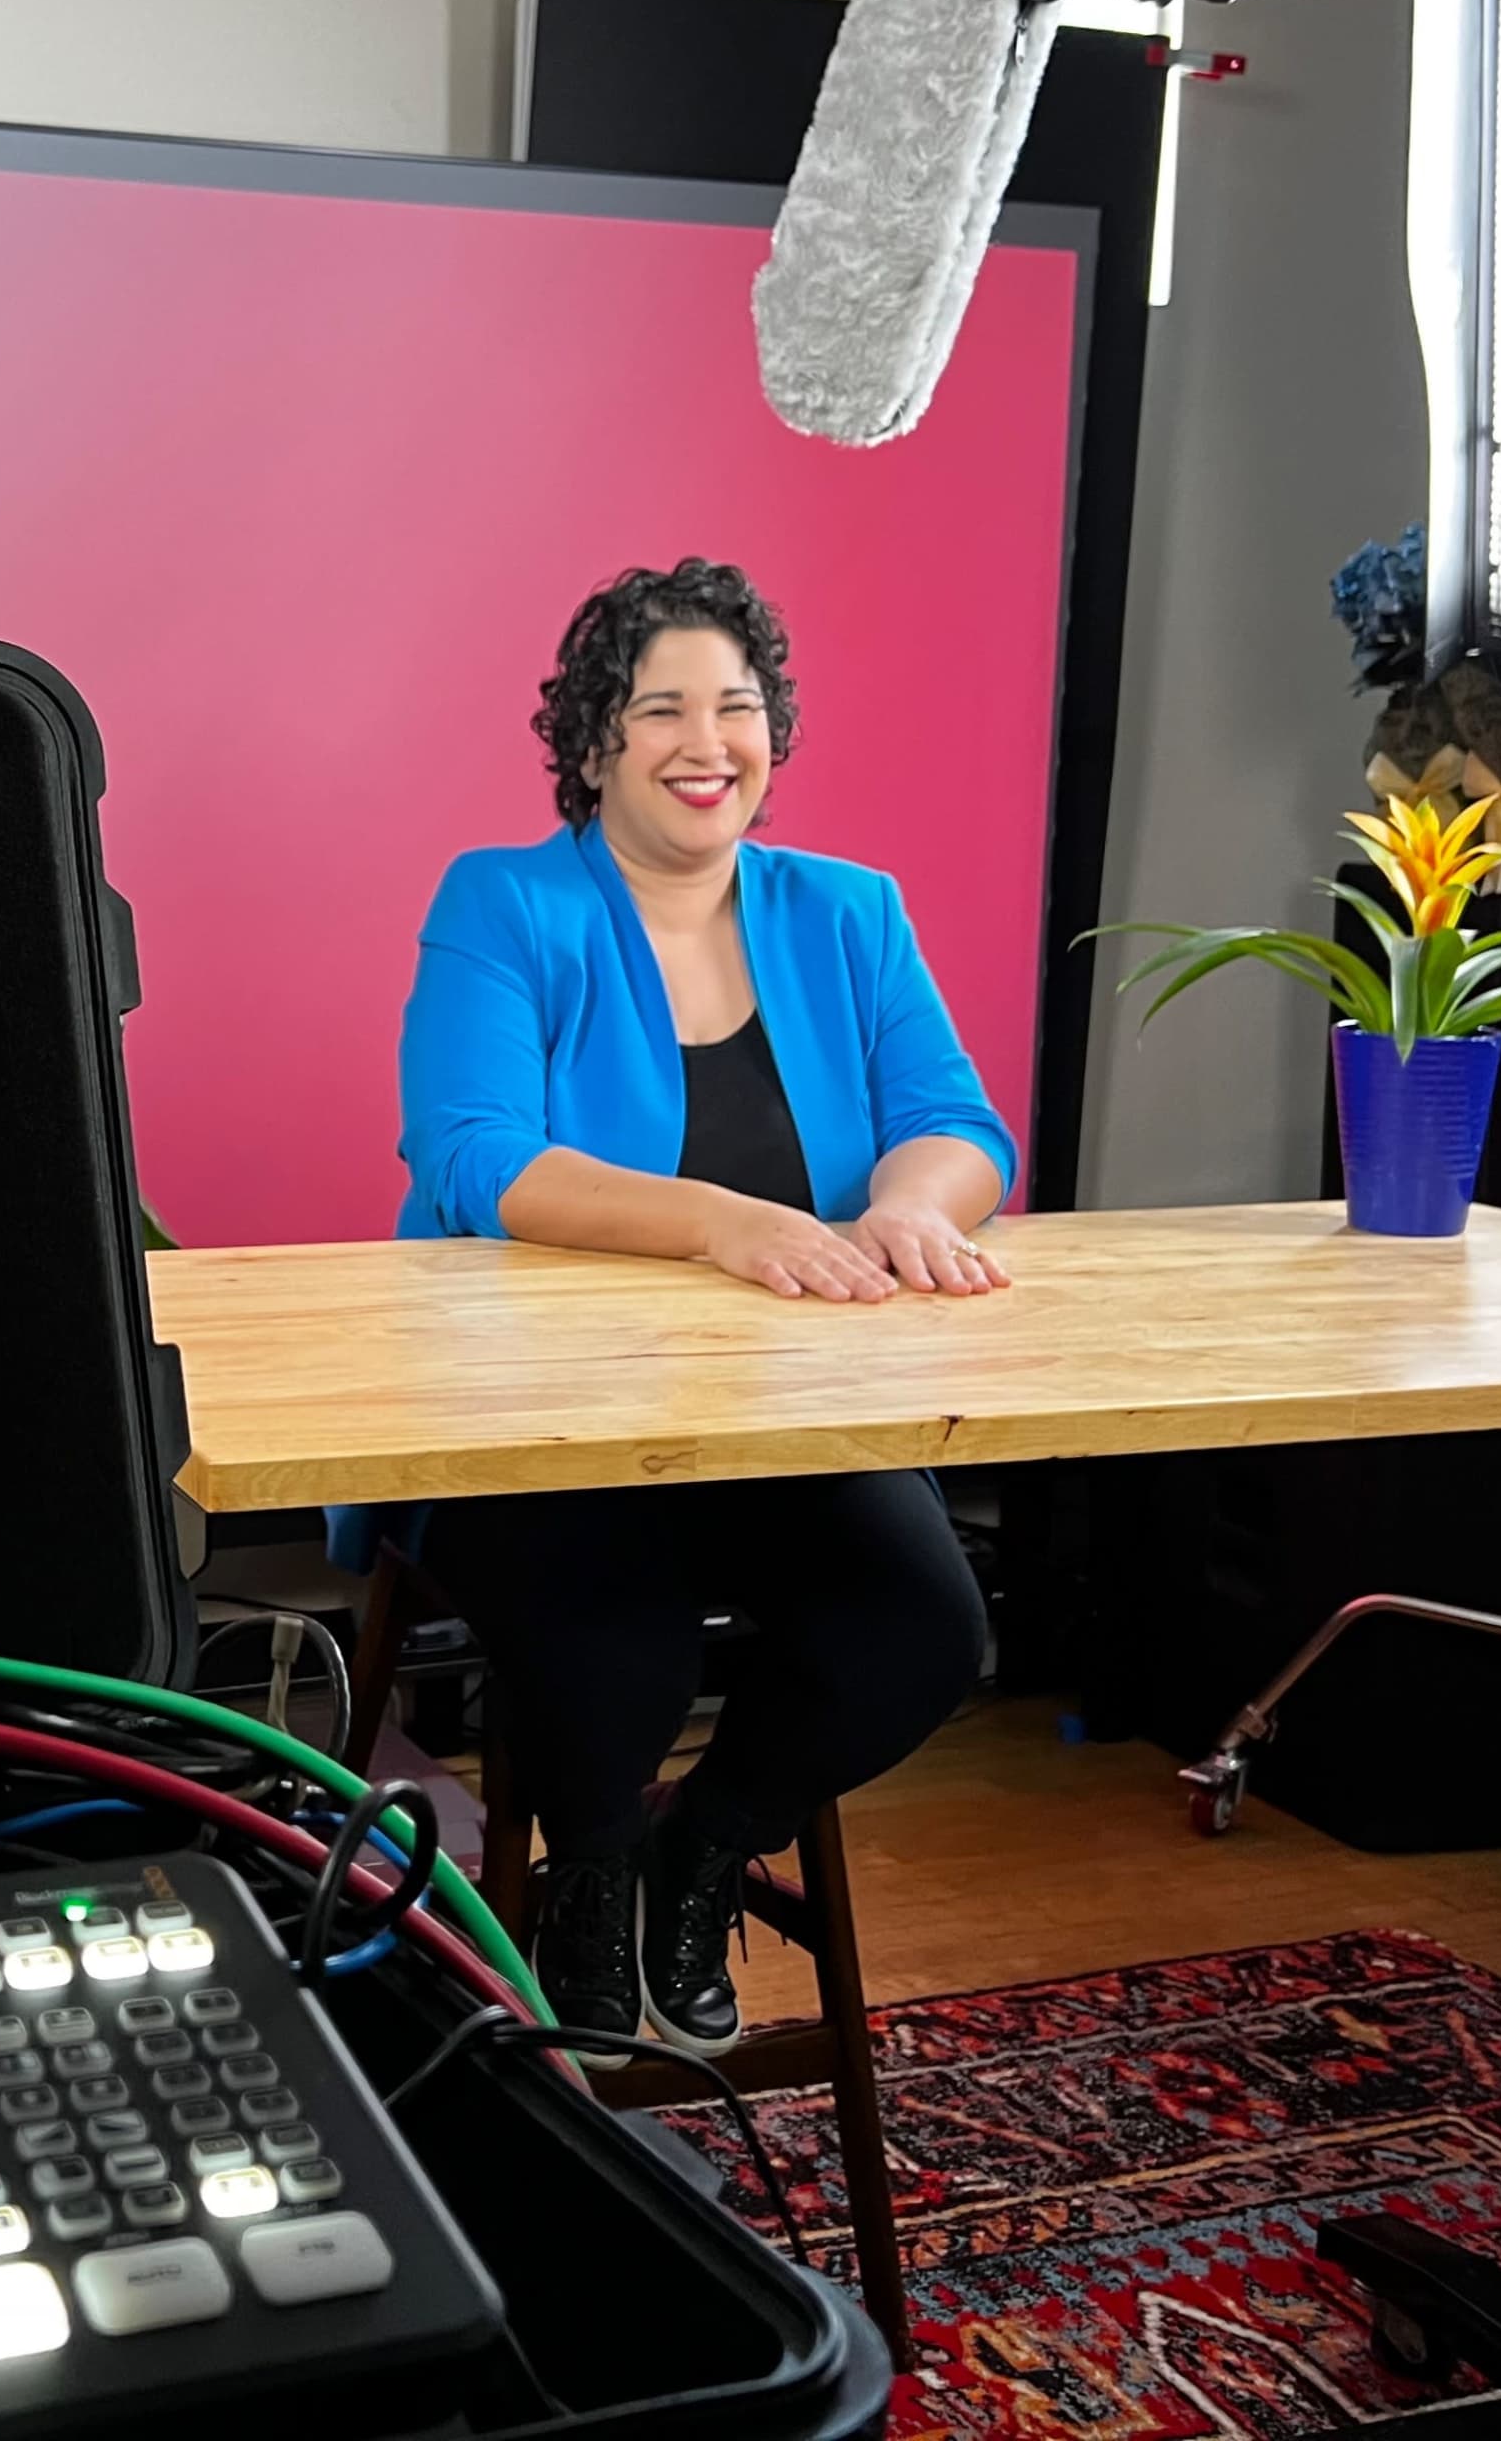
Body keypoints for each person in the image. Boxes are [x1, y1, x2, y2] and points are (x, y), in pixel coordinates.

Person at [389, 557, 1011, 2058]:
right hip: (530, 1414)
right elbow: (475, 1159)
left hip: (780, 1417)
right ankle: (589, 1877)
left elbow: (958, 1125)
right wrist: (728, 1223)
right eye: (660, 707)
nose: (705, 741)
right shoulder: (505, 901)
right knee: (625, 1646)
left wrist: (912, 1207)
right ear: (594, 738)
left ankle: (699, 1850)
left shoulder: (849, 913)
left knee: (923, 1627)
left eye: (736, 706)